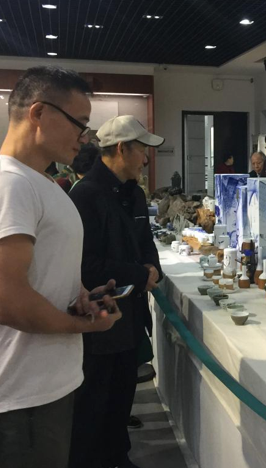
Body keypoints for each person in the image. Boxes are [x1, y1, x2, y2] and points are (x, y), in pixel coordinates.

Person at [0, 66, 121, 468]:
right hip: (17, 396)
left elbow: (44, 275)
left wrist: (82, 297)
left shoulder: (40, 183)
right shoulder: (7, 184)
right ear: (38, 113)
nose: (84, 137)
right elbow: (9, 303)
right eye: (79, 123)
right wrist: (85, 327)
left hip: (42, 387)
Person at [68, 115, 164, 468]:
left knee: (122, 397)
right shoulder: (85, 195)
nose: (146, 159)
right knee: (93, 404)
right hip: (99, 320)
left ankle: (117, 458)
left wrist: (153, 268)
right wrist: (140, 274)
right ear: (122, 149)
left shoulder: (133, 193)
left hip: (130, 316)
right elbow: (85, 265)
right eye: (142, 150)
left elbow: (145, 242)